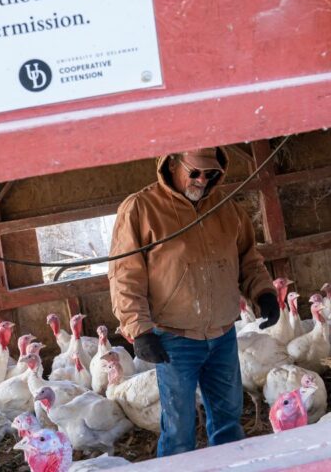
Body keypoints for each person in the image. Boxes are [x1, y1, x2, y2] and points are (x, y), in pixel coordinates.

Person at [108, 146, 280, 456]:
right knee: (178, 430)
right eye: (195, 172)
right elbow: (125, 274)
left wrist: (263, 293)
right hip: (174, 339)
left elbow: (248, 258)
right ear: (172, 162)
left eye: (211, 174)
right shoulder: (141, 209)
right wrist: (139, 329)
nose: (203, 180)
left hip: (223, 334)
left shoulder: (227, 206)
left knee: (229, 421)